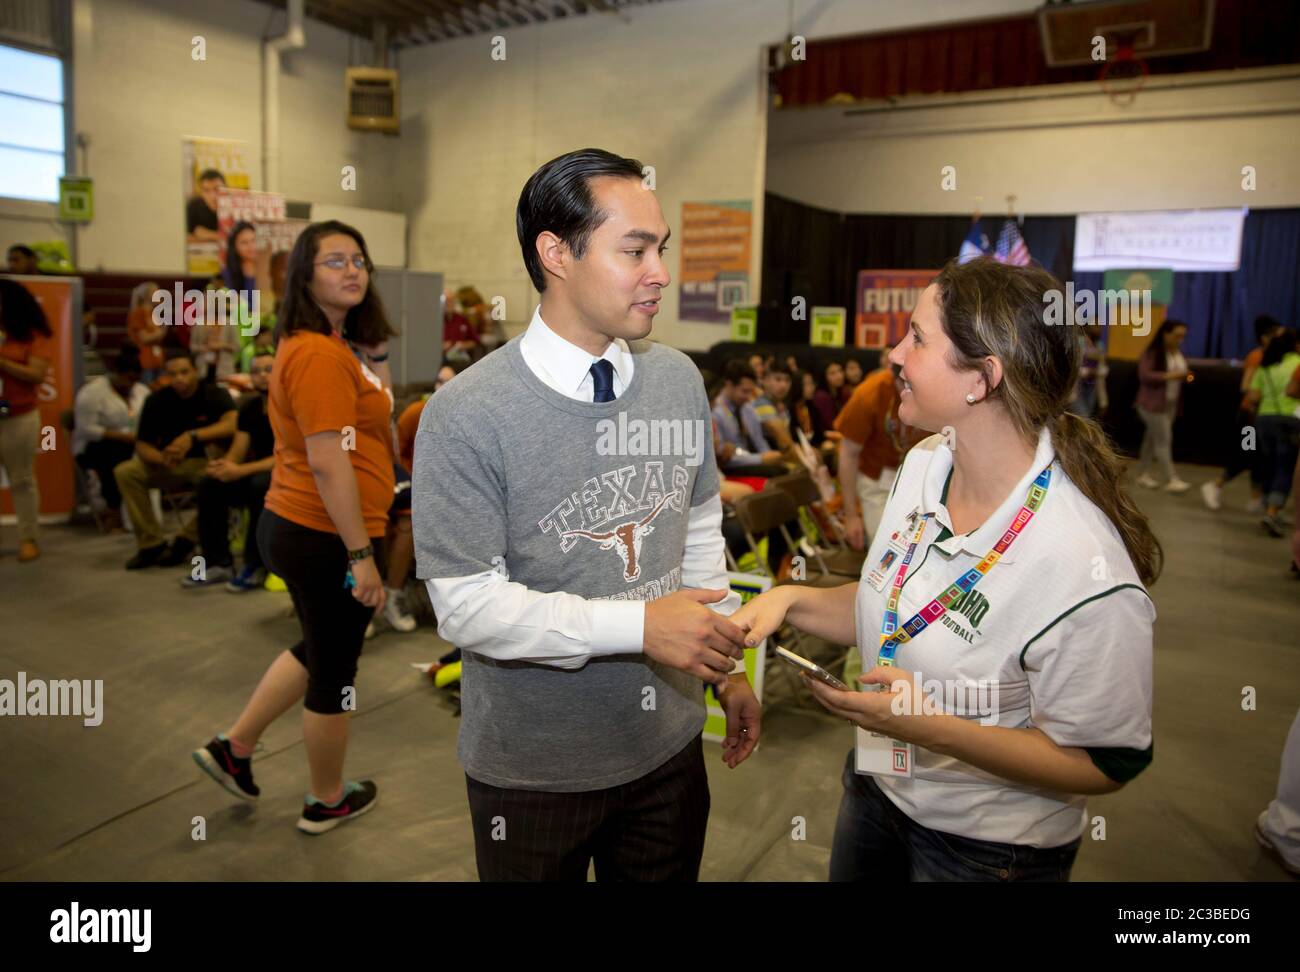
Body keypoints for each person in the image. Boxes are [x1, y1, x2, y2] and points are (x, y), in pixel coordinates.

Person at [733, 258, 1159, 882]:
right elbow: (895, 602)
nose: (895, 354)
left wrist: (932, 729)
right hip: (879, 789)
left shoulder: (1083, 570)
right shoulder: (928, 462)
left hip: (988, 849)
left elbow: (1106, 762)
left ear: (982, 379)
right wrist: (790, 601)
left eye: (917, 337)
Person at [414, 148, 760, 882]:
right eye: (634, 249)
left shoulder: (675, 380)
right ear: (556, 255)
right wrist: (639, 628)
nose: (659, 271)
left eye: (660, 248)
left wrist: (722, 662)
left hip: (667, 751)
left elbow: (697, 529)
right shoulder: (468, 414)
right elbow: (467, 607)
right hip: (534, 776)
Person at [192, 220, 396, 834]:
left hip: (312, 528)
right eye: (335, 261)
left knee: (317, 647)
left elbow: (374, 412)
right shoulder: (313, 353)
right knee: (335, 670)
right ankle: (325, 798)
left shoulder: (335, 347)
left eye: (359, 260)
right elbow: (329, 462)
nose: (352, 270)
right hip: (324, 532)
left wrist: (374, 348)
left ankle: (236, 746)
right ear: (304, 277)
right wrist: (360, 555)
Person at [115, 348, 237, 569]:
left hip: (206, 463)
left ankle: (186, 539)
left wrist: (192, 437)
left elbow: (232, 423)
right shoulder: (157, 400)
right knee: (125, 472)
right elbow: (143, 444)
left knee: (217, 483)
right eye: (173, 374)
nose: (179, 378)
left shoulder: (214, 394)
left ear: (195, 371)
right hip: (168, 463)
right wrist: (161, 458)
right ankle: (151, 544)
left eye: (184, 372)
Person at [181, 350, 276, 591]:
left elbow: (288, 458)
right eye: (256, 371)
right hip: (254, 471)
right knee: (210, 483)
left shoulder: (291, 406)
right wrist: (225, 466)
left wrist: (240, 470)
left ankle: (255, 565)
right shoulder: (249, 407)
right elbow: (238, 449)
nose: (262, 376)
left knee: (259, 486)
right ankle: (217, 563)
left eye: (269, 370)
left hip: (287, 475)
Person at [835, 348, 921, 550]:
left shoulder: (937, 391)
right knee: (884, 548)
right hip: (876, 481)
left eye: (914, 384)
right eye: (903, 382)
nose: (907, 390)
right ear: (893, 374)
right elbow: (848, 453)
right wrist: (851, 516)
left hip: (917, 480)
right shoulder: (869, 393)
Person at [1202, 315, 1281, 513]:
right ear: (1265, 337)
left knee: (1258, 457)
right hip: (1250, 416)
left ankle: (1256, 498)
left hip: (1260, 416)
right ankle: (1215, 485)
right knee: (1247, 454)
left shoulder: (1272, 356)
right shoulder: (1257, 356)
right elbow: (1246, 385)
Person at [0, 278, 53, 562]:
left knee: (21, 479)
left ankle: (28, 538)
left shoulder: (33, 336)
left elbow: (35, 375)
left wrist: (4, 364)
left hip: (18, 415)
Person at [73, 348, 150, 531]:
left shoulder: (141, 390)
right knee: (116, 458)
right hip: (95, 445)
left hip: (135, 442)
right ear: (115, 374)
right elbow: (86, 429)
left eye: (135, 380)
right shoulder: (91, 393)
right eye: (127, 379)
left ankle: (143, 510)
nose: (131, 384)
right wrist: (121, 436)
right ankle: (113, 509)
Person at [1246, 328, 1300, 537]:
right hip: (1290, 419)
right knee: (1284, 467)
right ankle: (1272, 511)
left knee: (1268, 463)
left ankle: (1268, 505)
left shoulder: (1265, 366)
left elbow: (1252, 396)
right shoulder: (1296, 363)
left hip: (1263, 419)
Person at [1133, 319, 1193, 492]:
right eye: (1176, 336)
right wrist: (1171, 376)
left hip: (1170, 403)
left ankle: (1143, 474)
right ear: (1165, 334)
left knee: (1151, 439)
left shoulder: (1177, 353)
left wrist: (1184, 376)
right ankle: (1171, 478)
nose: (1180, 340)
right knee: (1163, 440)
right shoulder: (1152, 353)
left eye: (1182, 336)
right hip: (1151, 404)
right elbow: (1145, 376)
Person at [712, 359, 786, 477]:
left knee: (782, 467)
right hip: (731, 466)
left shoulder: (747, 407)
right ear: (729, 385)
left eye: (750, 392)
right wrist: (760, 459)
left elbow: (759, 440)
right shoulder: (716, 411)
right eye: (744, 391)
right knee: (776, 473)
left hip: (748, 458)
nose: (748, 397)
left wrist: (769, 455)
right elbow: (723, 457)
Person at [126, 281, 166, 386]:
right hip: (144, 361)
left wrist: (159, 333)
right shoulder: (138, 313)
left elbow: (158, 337)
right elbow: (144, 338)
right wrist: (159, 333)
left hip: (157, 360)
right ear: (148, 295)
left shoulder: (154, 314)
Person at [1069, 324, 1109, 420]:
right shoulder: (1080, 341)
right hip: (1078, 387)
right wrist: (1087, 371)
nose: (1098, 327)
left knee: (1089, 415)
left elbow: (1103, 369)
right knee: (1084, 415)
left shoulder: (1099, 344)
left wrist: (1103, 402)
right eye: (1095, 324)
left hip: (1092, 386)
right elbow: (1074, 367)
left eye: (1099, 325)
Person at [186, 168, 225, 244]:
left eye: (217, 189)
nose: (213, 196)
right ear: (201, 192)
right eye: (206, 190)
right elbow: (185, 237)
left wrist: (210, 235)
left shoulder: (236, 204)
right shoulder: (194, 205)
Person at [442, 289, 480, 363]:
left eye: (452, 301)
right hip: (440, 358)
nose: (449, 304)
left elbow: (474, 340)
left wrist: (464, 345)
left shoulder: (462, 319)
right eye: (446, 301)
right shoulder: (435, 321)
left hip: (459, 356)